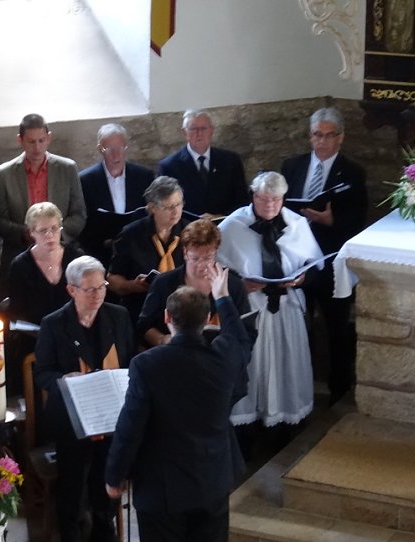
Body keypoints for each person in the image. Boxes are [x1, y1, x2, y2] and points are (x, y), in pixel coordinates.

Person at [104, 265, 252, 542]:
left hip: (163, 492)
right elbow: (238, 335)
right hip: (211, 485)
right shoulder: (224, 357)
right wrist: (222, 294)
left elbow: (130, 427)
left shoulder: (147, 365)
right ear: (207, 321)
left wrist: (113, 476)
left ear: (167, 319)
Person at [34, 256, 133, 542]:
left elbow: (131, 361)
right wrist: (64, 381)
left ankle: (104, 532)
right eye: (89, 289)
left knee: (108, 472)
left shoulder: (118, 317)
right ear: (71, 290)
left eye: (101, 287)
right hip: (72, 415)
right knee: (73, 480)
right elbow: (43, 373)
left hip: (111, 412)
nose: (97, 295)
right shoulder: (54, 323)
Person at [218, 172, 323, 428]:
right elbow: (216, 268)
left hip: (287, 307)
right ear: (253, 196)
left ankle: (286, 421)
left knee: (286, 365)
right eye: (264, 199)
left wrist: (301, 279)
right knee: (255, 366)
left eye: (276, 200)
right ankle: (249, 424)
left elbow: (316, 265)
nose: (270, 205)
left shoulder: (296, 224)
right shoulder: (232, 226)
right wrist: (240, 285)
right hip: (252, 308)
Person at [281, 106, 368, 405]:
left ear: (340, 138)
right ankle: (297, 386)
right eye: (317, 135)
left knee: (336, 326)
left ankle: (339, 388)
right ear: (310, 136)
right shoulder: (291, 166)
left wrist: (330, 221)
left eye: (329, 136)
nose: (322, 141)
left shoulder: (353, 172)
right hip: (297, 259)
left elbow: (358, 220)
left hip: (332, 260)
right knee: (296, 323)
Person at [0, 113, 86, 290]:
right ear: (20, 140)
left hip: (61, 255)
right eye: (31, 142)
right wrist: (26, 233)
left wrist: (53, 234)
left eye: (41, 140)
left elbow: (79, 214)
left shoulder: (67, 169)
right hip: (19, 255)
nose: (37, 147)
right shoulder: (3, 174)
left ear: (49, 138)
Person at [137, 219, 252, 348]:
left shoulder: (233, 285)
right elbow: (144, 326)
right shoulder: (164, 283)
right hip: (172, 356)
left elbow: (247, 331)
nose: (202, 265)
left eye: (208, 258)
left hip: (218, 360)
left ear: (216, 252)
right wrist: (162, 339)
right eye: (195, 258)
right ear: (185, 253)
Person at [107, 176, 197, 324]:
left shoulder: (190, 232)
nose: (175, 212)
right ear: (152, 207)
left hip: (183, 312)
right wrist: (132, 286)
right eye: (168, 207)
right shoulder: (131, 235)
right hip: (142, 310)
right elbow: (112, 279)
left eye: (179, 204)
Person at [78, 123, 155, 266]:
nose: (116, 154)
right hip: (101, 254)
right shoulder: (85, 181)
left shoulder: (144, 177)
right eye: (110, 149)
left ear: (126, 146)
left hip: (138, 252)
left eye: (120, 148)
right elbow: (82, 221)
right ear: (100, 149)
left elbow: (151, 214)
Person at [158, 109, 248, 217]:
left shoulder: (230, 161)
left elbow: (242, 200)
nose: (199, 133)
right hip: (187, 229)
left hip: (225, 225)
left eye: (204, 128)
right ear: (184, 132)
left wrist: (220, 216)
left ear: (211, 131)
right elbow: (166, 207)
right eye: (193, 129)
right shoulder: (169, 166)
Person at [7, 202, 82, 326]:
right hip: (35, 335)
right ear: (31, 232)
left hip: (73, 332)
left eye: (54, 228)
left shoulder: (76, 258)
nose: (50, 235)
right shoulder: (20, 265)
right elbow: (16, 311)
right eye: (43, 230)